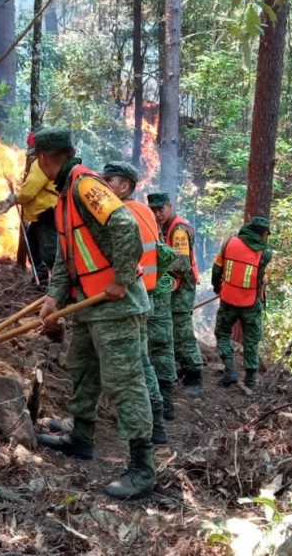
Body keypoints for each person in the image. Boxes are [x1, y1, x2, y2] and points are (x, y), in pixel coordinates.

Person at [34, 127, 155, 500]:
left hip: (115, 306)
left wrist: (121, 278)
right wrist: (54, 296)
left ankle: (142, 468)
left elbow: (124, 225)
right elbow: (66, 252)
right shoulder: (66, 192)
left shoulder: (86, 185)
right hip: (88, 304)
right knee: (83, 369)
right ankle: (81, 438)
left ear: (45, 159)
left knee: (124, 382)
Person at [102, 161, 169, 443]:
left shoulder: (124, 212)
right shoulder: (143, 210)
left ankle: (154, 428)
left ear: (125, 186)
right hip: (146, 294)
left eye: (110, 181)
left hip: (132, 296)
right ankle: (157, 422)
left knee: (139, 363)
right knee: (143, 361)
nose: (104, 186)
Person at [147, 192, 204, 398]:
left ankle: (195, 376)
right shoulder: (164, 226)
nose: (157, 213)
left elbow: (180, 265)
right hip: (172, 286)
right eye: (153, 210)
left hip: (181, 288)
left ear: (170, 206)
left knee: (182, 333)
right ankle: (183, 368)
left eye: (161, 209)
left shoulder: (179, 230)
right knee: (172, 330)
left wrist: (159, 281)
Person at [211, 216, 273, 390]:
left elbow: (217, 269)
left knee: (223, 333)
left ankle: (230, 370)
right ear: (263, 234)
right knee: (251, 340)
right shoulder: (266, 253)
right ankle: (251, 380)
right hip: (251, 304)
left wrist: (217, 287)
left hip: (228, 299)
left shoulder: (229, 243)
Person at [0, 131, 58, 288]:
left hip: (47, 213)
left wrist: (16, 199)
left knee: (50, 251)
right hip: (42, 214)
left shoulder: (42, 163)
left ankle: (60, 287)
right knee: (32, 242)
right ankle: (41, 279)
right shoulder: (51, 162)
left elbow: (30, 189)